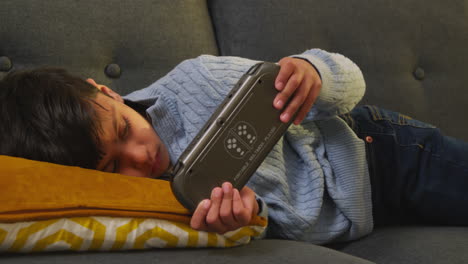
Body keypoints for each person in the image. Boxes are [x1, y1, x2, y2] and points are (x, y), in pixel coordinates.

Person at [0, 49, 467, 244]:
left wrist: (313, 74)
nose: (141, 158)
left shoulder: (201, 80)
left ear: (104, 92)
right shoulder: (146, 205)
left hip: (380, 154)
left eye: (125, 131)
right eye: (113, 167)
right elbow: (272, 218)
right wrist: (247, 221)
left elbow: (349, 80)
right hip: (356, 217)